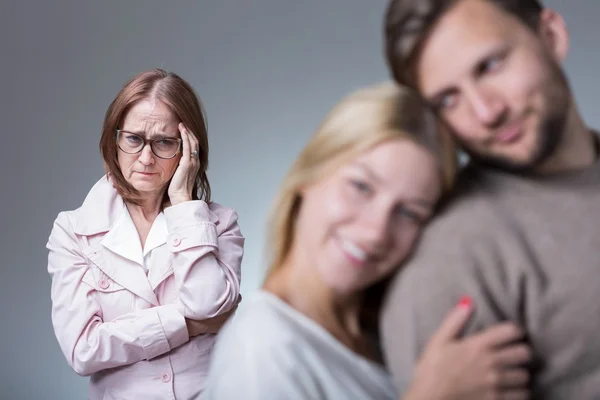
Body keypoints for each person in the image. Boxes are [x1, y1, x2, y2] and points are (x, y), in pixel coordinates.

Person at [202, 82, 531, 400]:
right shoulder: (262, 350)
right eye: (361, 187)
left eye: (409, 213)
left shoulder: (379, 334)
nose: (377, 231)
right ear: (310, 173)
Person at [382, 0, 600, 398]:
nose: (486, 112)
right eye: (448, 99)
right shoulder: (454, 259)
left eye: (489, 66)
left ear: (551, 36)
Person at [47, 69, 244, 399]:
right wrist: (187, 325)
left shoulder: (220, 223)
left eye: (165, 142)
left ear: (189, 150)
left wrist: (183, 202)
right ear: (115, 140)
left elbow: (209, 306)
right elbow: (83, 350)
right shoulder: (73, 232)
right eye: (134, 139)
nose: (146, 158)